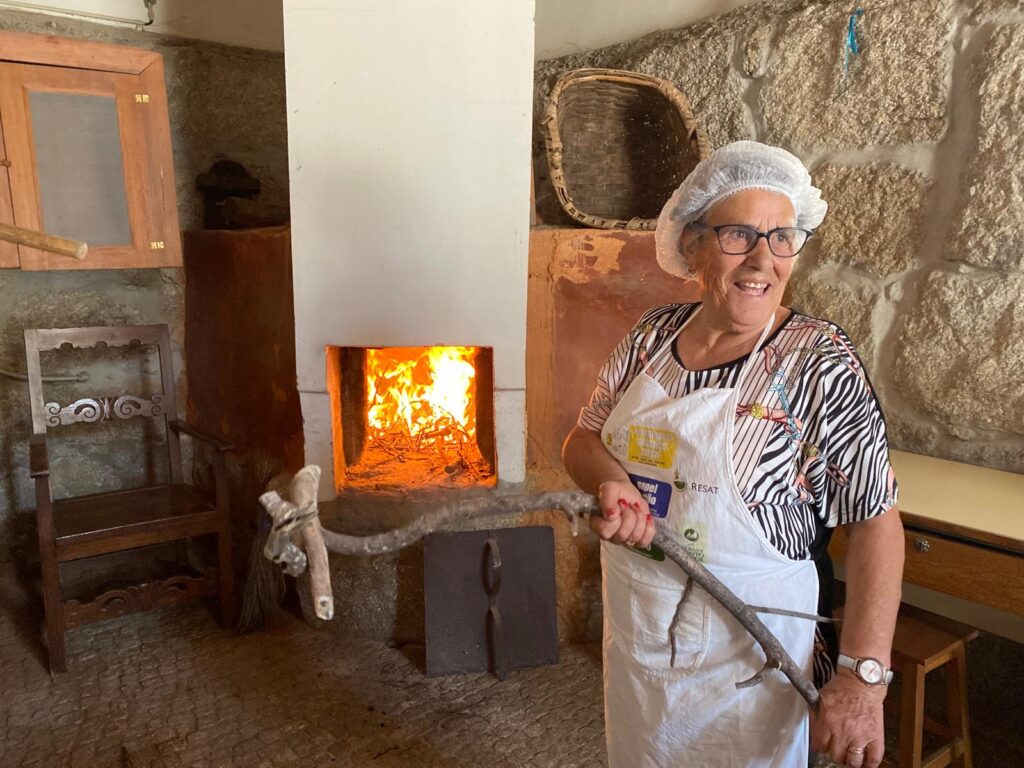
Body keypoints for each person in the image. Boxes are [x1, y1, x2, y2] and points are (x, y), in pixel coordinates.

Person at [562, 141, 905, 768]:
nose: (762, 259)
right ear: (693, 245)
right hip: (641, 632)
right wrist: (611, 482)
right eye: (739, 234)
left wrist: (862, 680)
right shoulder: (652, 336)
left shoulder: (817, 364)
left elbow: (877, 521)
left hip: (751, 660)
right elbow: (582, 440)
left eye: (781, 237)